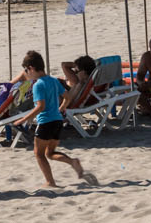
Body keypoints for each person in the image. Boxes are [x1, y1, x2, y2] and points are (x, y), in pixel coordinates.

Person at [9, 51, 92, 190]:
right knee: (50, 153)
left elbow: (41, 106)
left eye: (26, 70)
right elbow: (67, 97)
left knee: (39, 154)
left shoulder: (38, 85)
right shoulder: (53, 80)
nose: (26, 73)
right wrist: (61, 109)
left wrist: (23, 120)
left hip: (46, 122)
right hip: (58, 121)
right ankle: (72, 162)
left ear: (31, 68)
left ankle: (50, 182)